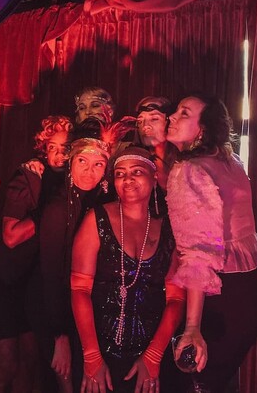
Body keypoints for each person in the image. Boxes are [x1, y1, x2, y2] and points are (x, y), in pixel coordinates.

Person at [165, 95, 257, 393]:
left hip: (224, 290)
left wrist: (192, 327)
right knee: (218, 378)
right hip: (256, 285)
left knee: (194, 378)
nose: (172, 116)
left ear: (203, 129)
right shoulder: (230, 160)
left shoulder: (189, 170)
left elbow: (199, 254)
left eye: (184, 113)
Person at [71, 145, 187, 393]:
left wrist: (154, 356)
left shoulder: (170, 228)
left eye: (137, 172)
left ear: (154, 178)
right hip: (98, 351)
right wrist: (91, 356)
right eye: (120, 174)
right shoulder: (96, 219)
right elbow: (80, 289)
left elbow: (176, 298)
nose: (128, 179)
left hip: (151, 355)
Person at [0, 115, 72, 393]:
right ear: (44, 149)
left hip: (25, 282)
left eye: (65, 148)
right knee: (6, 367)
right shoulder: (30, 176)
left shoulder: (70, 183)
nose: (59, 155)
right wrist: (51, 212)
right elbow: (11, 237)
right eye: (52, 147)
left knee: (31, 363)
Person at [29, 118, 121, 393]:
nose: (89, 172)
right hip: (53, 310)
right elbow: (50, 276)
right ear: (71, 162)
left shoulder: (102, 203)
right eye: (82, 161)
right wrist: (60, 337)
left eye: (98, 164)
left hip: (85, 309)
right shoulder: (58, 209)